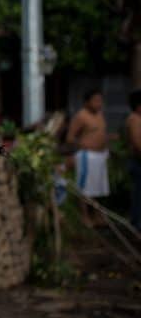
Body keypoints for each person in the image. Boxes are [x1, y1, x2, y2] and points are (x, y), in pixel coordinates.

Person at [66, 88, 110, 226]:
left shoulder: (100, 114)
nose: (99, 103)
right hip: (86, 156)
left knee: (98, 188)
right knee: (85, 188)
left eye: (100, 100)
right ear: (87, 102)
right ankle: (84, 217)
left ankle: (97, 215)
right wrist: (85, 145)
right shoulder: (81, 116)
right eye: (96, 100)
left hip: (100, 156)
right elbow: (70, 138)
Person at [126, 89, 141, 231]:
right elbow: (137, 144)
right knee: (138, 195)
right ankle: (137, 225)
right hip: (138, 162)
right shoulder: (134, 119)